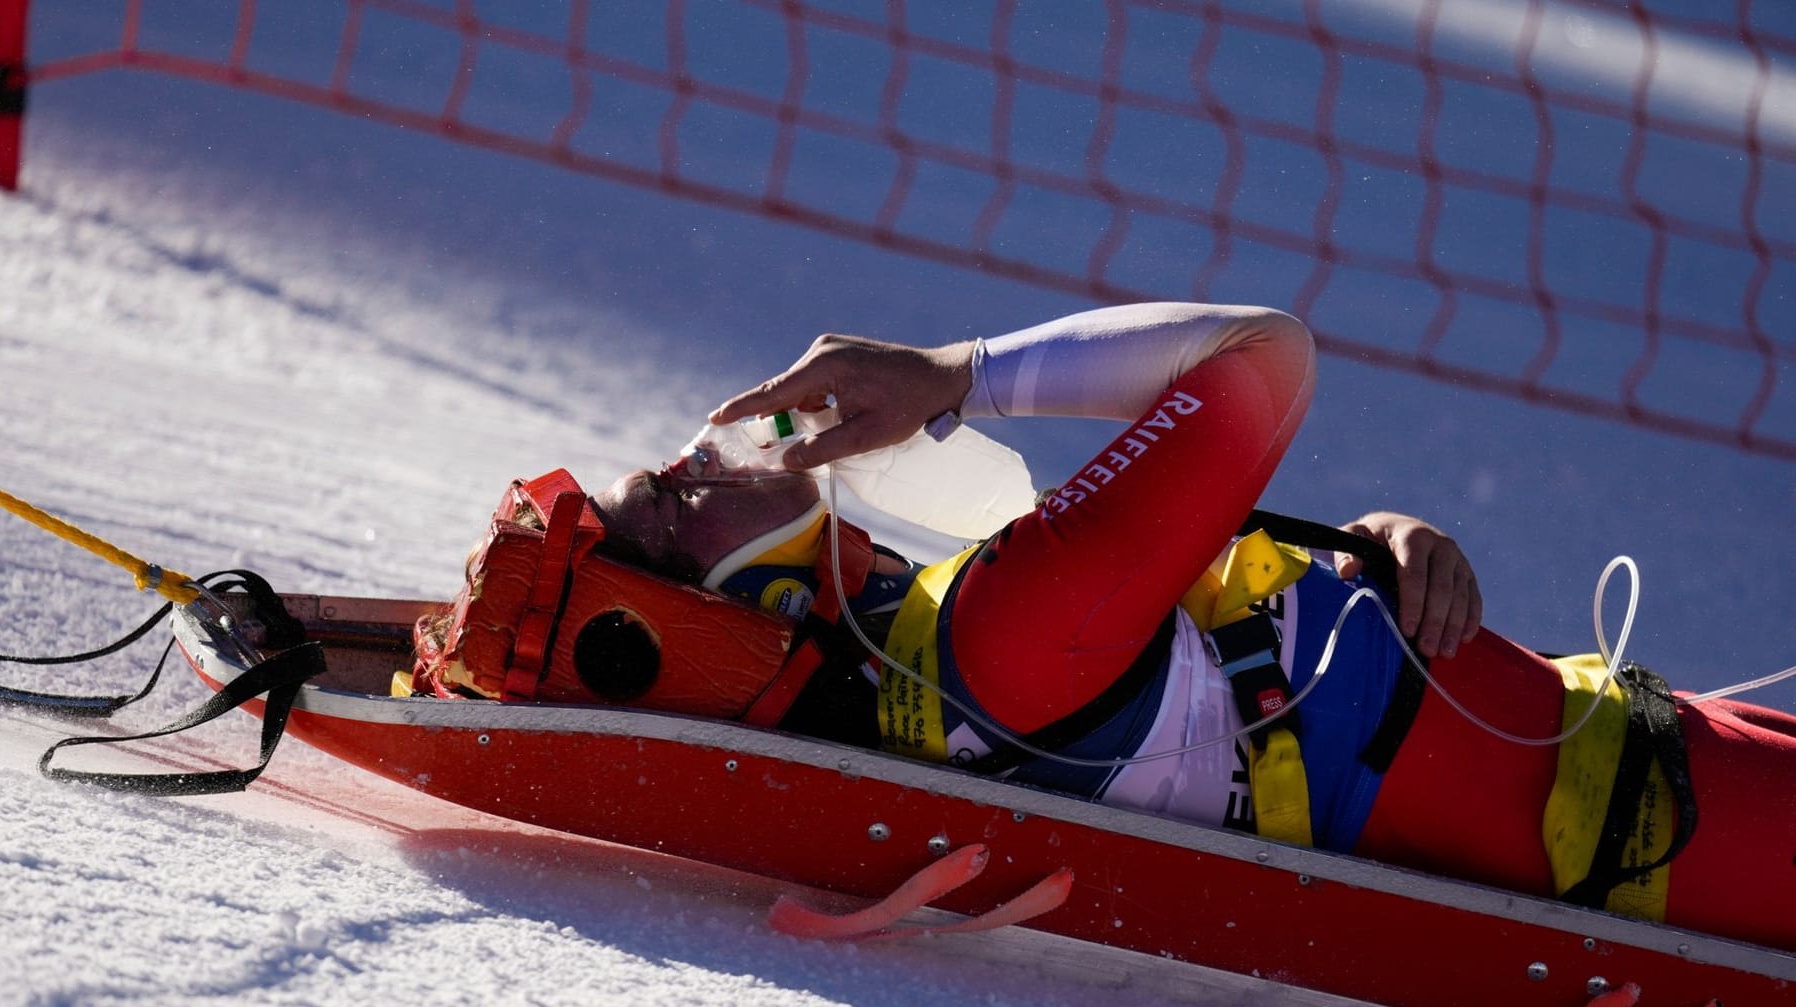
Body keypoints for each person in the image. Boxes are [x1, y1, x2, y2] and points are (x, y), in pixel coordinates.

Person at [576, 303, 1796, 950]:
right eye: (671, 496)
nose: (696, 452)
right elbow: (1260, 357)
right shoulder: (993, 643)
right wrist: (961, 373)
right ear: (735, 608)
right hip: (1678, 824)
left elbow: (1228, 630)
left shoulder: (956, 639)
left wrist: (1381, 541)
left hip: (1643, 740)